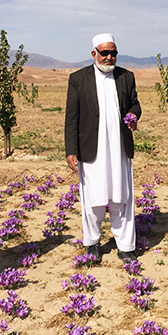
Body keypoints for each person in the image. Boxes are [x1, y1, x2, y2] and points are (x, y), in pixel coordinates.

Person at [64, 33, 141, 262]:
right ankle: (92, 243)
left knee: (122, 196)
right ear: (94, 54)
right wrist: (71, 149)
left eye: (113, 53)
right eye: (104, 53)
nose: (109, 57)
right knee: (93, 197)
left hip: (119, 147)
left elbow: (135, 103)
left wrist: (133, 114)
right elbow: (71, 117)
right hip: (91, 147)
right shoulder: (78, 79)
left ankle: (125, 246)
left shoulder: (127, 76)